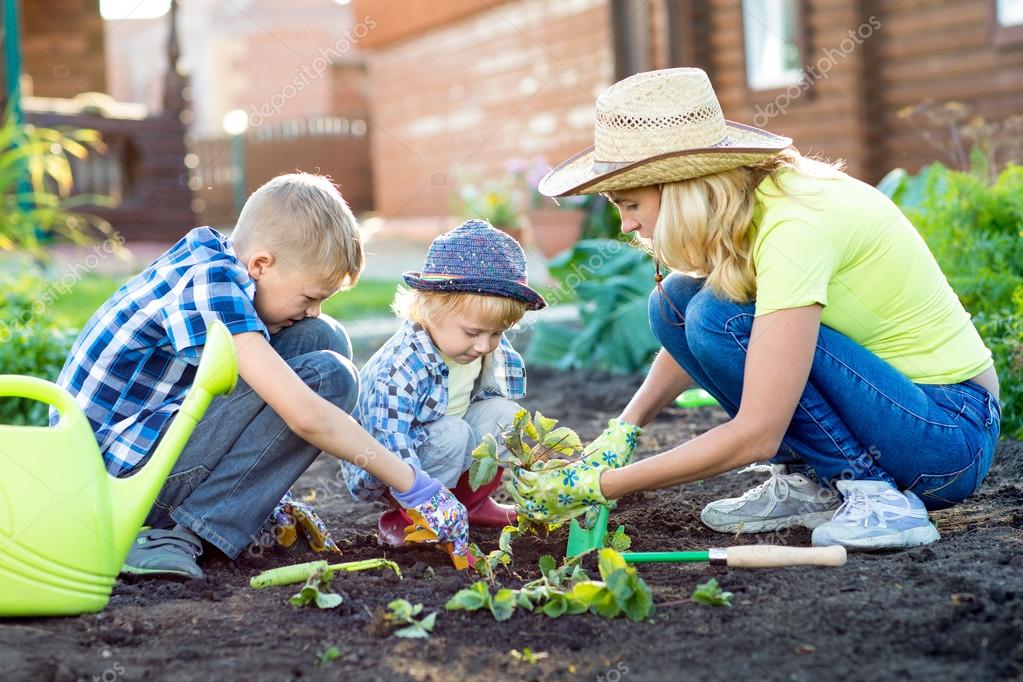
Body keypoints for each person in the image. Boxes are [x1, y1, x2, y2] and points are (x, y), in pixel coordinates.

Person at [509, 68, 1001, 551]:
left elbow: (757, 434)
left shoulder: (793, 229)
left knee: (717, 318)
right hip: (903, 416)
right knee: (675, 304)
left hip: (947, 436)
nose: (624, 225)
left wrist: (606, 485)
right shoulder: (753, 201)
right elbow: (689, 337)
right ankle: (815, 479)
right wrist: (625, 429)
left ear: (682, 191)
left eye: (631, 204)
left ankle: (878, 500)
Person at [53, 173, 469, 579]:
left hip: (146, 449)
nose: (313, 309)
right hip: (114, 487)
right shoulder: (209, 285)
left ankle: (244, 511)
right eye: (310, 297)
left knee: (319, 338)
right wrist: (413, 486)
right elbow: (306, 415)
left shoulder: (220, 263)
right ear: (261, 264)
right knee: (327, 379)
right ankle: (178, 533)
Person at [341, 219, 546, 547]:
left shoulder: (476, 344)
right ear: (429, 310)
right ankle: (412, 518)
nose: (484, 345)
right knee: (453, 433)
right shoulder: (399, 368)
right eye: (473, 333)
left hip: (449, 442)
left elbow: (496, 410)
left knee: (506, 415)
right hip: (399, 465)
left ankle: (473, 503)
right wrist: (416, 494)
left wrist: (537, 459)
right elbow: (387, 443)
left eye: (497, 333)